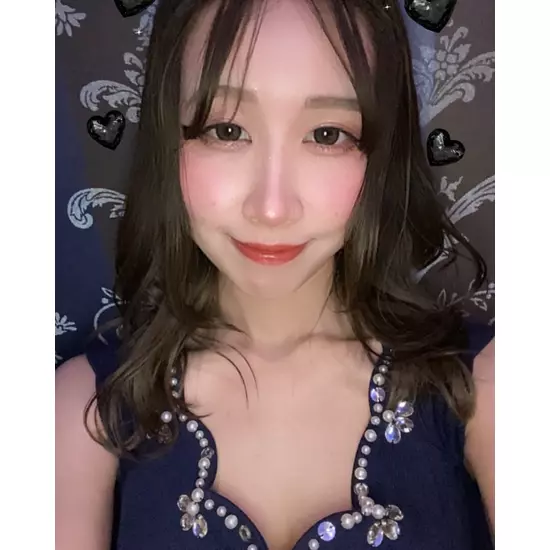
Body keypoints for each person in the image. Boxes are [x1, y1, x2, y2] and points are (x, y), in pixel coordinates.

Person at [55, 0, 495, 549]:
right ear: (169, 141)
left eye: (328, 135)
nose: (271, 208)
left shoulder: (487, 388)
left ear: (380, 155)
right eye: (226, 129)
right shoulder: (83, 410)